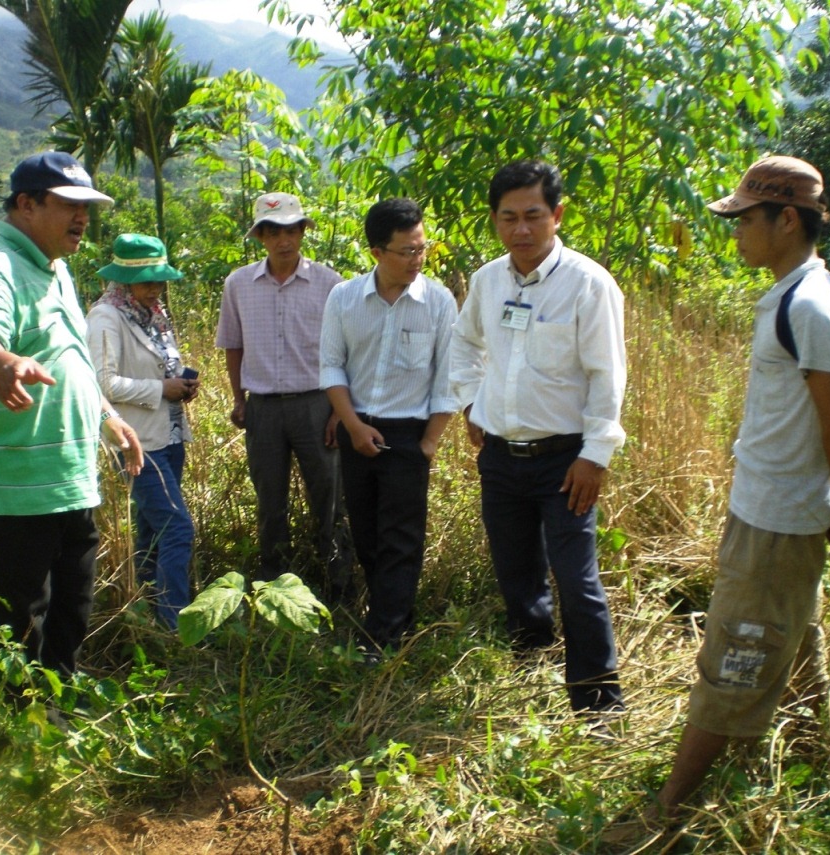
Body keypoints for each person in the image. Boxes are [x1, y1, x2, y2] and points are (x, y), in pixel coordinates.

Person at [635, 156, 830, 830]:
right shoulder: (796, 294)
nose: (736, 231)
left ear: (787, 219)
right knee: (793, 629)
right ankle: (818, 759)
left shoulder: (807, 305)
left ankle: (666, 812)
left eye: (745, 219)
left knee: (733, 655)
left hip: (778, 517)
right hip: (772, 507)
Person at [0, 151, 143, 685]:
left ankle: (59, 709)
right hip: (6, 487)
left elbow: (68, 354)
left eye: (87, 207)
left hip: (64, 480)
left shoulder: (54, 268)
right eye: (70, 204)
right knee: (15, 620)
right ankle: (22, 735)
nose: (83, 218)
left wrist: (105, 418)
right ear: (26, 204)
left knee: (72, 605)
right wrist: (2, 364)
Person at [450, 160, 627, 713]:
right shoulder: (488, 280)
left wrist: (595, 455)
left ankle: (597, 701)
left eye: (533, 216)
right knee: (515, 569)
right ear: (495, 221)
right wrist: (471, 401)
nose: (521, 229)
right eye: (508, 218)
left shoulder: (588, 284)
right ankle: (529, 662)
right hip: (501, 457)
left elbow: (607, 374)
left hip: (565, 461)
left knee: (577, 580)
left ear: (557, 214)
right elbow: (464, 344)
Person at [320, 197, 458, 654]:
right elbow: (331, 368)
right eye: (407, 251)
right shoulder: (344, 298)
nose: (417, 260)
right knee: (366, 533)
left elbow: (448, 377)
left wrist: (430, 442)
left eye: (422, 249)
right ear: (377, 252)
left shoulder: (437, 302)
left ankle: (381, 639)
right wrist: (353, 427)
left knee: (401, 536)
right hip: (355, 427)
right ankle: (395, 614)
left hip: (408, 435)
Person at [215, 192, 354, 603]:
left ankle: (340, 589)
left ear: (303, 231)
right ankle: (275, 592)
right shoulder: (238, 284)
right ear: (260, 236)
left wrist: (338, 413)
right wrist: (238, 398)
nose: (284, 240)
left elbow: (347, 351)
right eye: (273, 231)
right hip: (263, 409)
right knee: (270, 502)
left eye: (292, 229)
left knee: (329, 500)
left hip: (317, 404)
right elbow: (233, 344)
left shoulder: (331, 283)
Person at [86, 233, 200, 630]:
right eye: (147, 281)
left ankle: (149, 614)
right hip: (137, 442)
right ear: (123, 280)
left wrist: (179, 385)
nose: (156, 288)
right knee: (177, 528)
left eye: (159, 280)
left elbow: (157, 367)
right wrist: (159, 389)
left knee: (153, 530)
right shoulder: (106, 317)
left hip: (167, 435)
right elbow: (101, 385)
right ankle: (174, 624)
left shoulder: (153, 313)